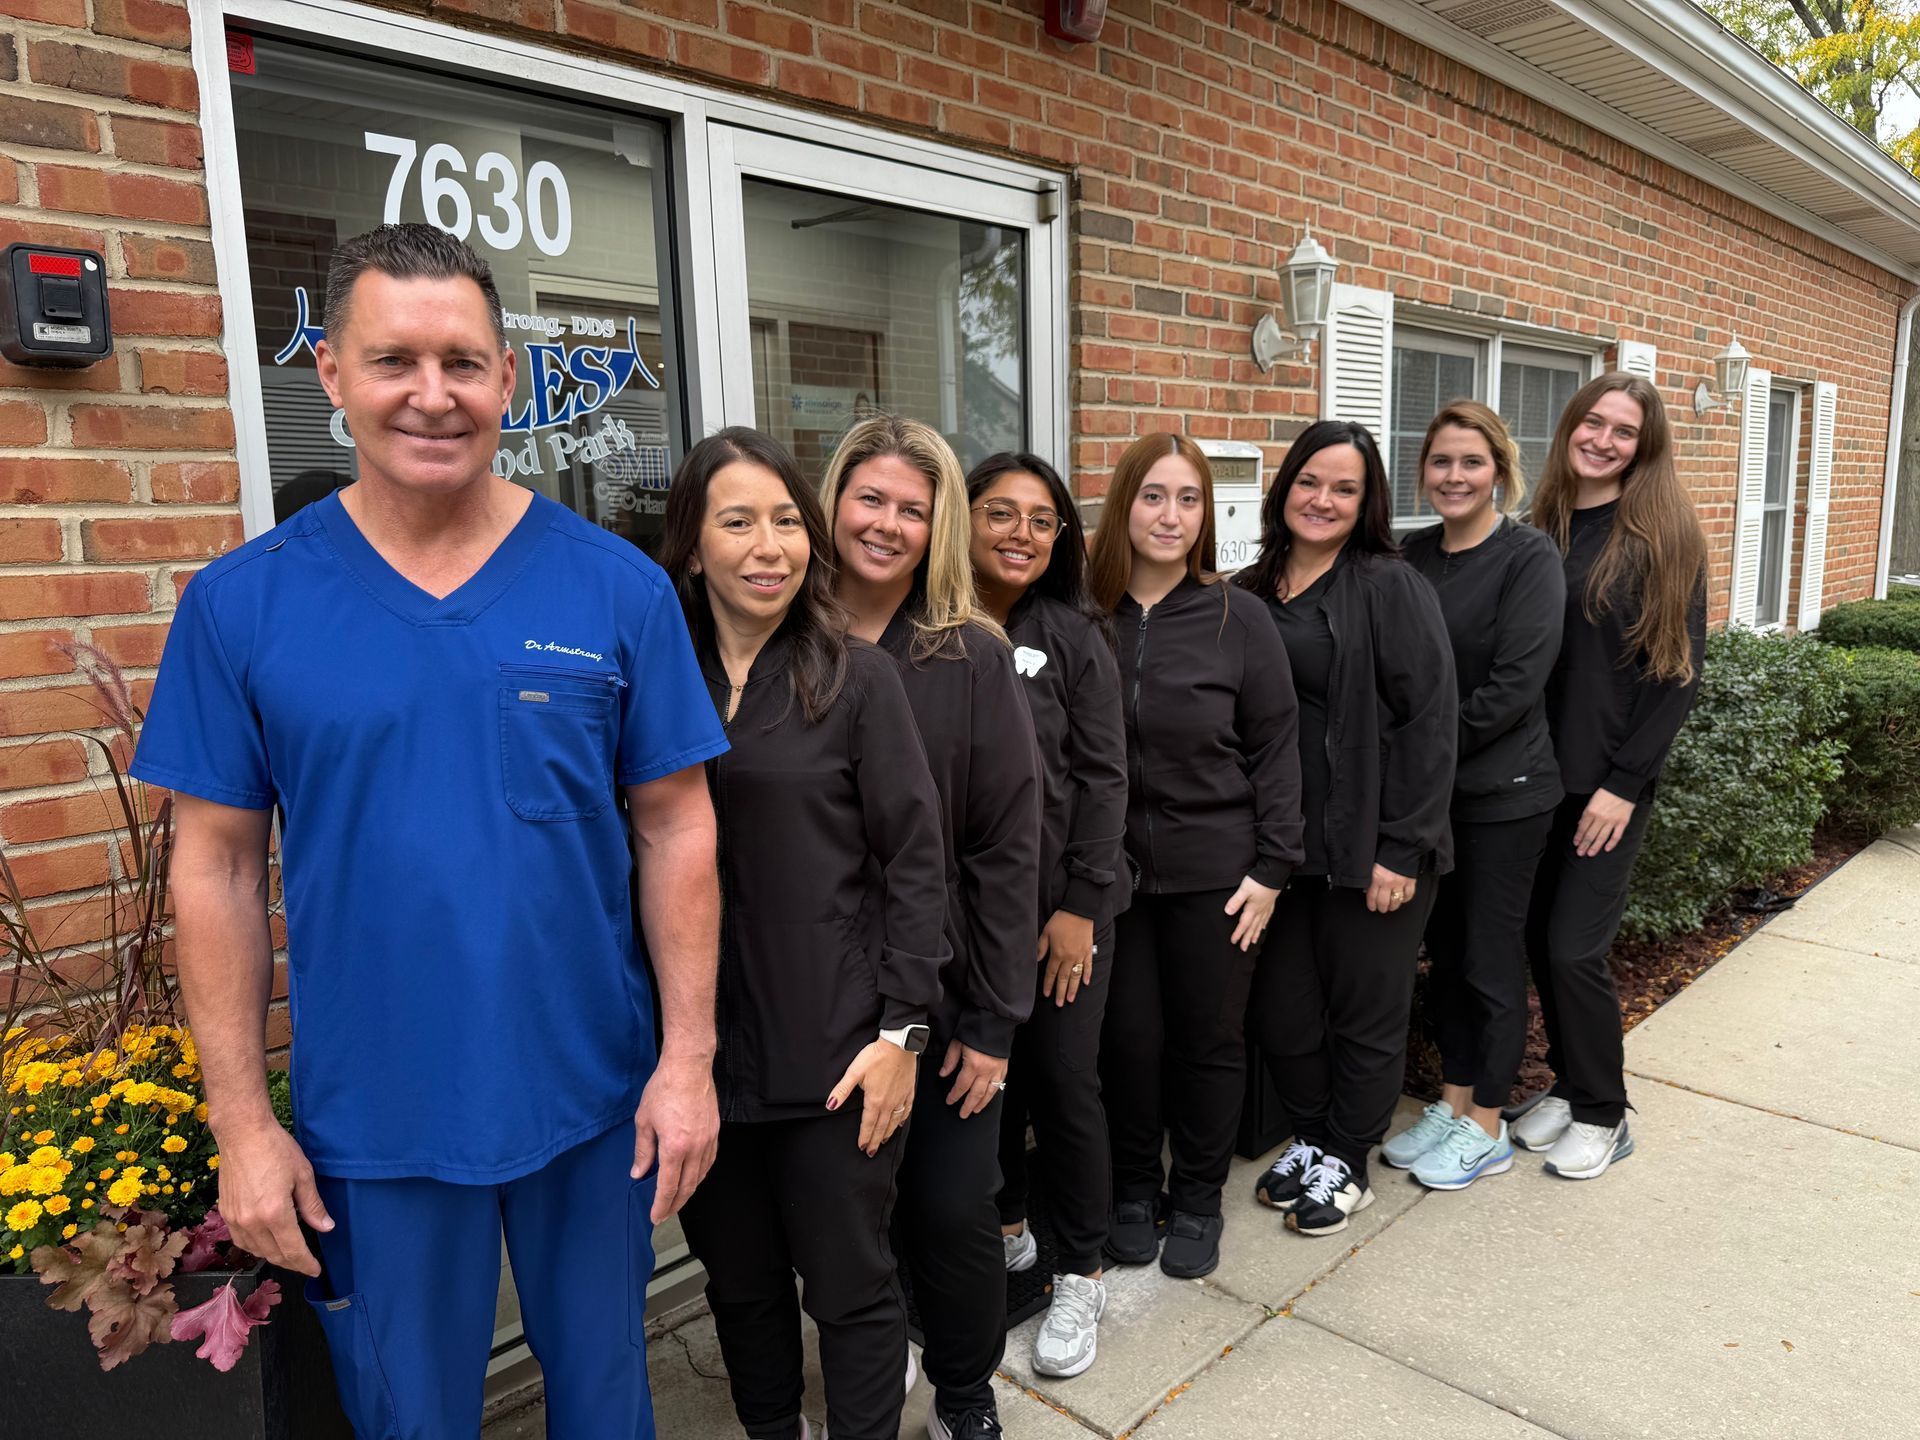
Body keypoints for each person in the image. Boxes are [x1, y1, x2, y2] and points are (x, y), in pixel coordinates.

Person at [132, 224, 728, 1437]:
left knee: (611, 1400)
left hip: (591, 1100)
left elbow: (680, 830)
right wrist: (242, 1127)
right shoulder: (243, 605)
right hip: (378, 1119)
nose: (432, 393)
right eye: (394, 358)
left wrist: (687, 1063)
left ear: (509, 378)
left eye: (463, 361)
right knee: (411, 1419)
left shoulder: (617, 589)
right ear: (332, 375)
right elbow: (218, 868)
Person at [662, 428, 948, 1440]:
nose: (769, 544)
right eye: (737, 521)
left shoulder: (855, 680)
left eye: (787, 519)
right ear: (693, 545)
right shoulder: (654, 678)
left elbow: (919, 862)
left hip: (837, 1051)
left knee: (850, 1287)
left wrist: (903, 1034)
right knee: (738, 1286)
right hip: (698, 1057)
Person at [820, 415, 1041, 1440]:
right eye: (870, 498)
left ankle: (963, 1386)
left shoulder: (970, 659)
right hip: (816, 992)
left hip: (947, 996)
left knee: (953, 1212)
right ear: (832, 502)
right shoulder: (779, 642)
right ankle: (877, 1361)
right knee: (845, 1223)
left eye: (914, 508)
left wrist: (994, 1019)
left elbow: (1005, 846)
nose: (888, 523)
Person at [1085, 432, 1302, 1281]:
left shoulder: (1234, 614)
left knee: (1208, 1042)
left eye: (1187, 499)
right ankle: (1136, 1189)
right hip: (1113, 878)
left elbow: (1277, 745)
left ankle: (1200, 1194)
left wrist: (1274, 866)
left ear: (1207, 514)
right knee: (1128, 1040)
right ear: (1123, 506)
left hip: (1221, 873)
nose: (1169, 516)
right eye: (1152, 496)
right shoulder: (1083, 615)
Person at [1237, 420, 1456, 1237]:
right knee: (1282, 1012)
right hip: (1283, 851)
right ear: (1285, 486)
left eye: (1344, 488)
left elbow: (1431, 720)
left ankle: (1347, 1159)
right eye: (1309, 481)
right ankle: (1316, 1135)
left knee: (1364, 1012)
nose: (1322, 499)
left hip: (1374, 848)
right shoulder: (1255, 586)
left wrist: (1401, 845)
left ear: (1367, 504)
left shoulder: (1387, 584)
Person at [1513, 373, 1706, 1179]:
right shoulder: (1542, 526)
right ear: (1570, 428)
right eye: (1592, 422)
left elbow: (1676, 673)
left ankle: (1604, 1110)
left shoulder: (1662, 537)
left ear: (1644, 447)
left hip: (1603, 790)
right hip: (1531, 783)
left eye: (1622, 431)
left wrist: (1625, 785)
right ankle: (1570, 1079)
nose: (1602, 439)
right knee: (1532, 939)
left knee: (1571, 950)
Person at [967, 453, 1127, 1380]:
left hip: (1061, 917)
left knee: (1066, 1089)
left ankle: (1083, 1272)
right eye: (1000, 512)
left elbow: (1104, 778)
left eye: (1041, 519)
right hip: (971, 921)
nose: (1020, 533)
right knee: (988, 1090)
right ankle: (1011, 1234)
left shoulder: (1074, 635)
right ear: (968, 519)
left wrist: (1079, 907)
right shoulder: (930, 626)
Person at [1390, 402, 1566, 1189]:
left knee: (1491, 962)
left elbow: (1514, 689)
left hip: (1503, 796)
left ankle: (1489, 1123)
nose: (1453, 477)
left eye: (1471, 462)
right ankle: (1454, 1102)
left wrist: (1415, 751)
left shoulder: (1529, 559)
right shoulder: (1411, 555)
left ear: (1499, 470)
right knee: (1448, 957)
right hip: (1436, 800)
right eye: (1440, 462)